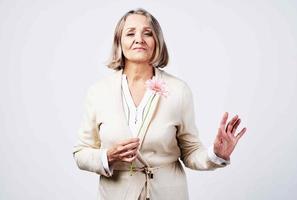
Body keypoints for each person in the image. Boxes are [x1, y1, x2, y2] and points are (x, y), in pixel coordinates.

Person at [72, 8, 247, 200]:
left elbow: (190, 152)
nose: (139, 39)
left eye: (148, 33)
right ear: (119, 42)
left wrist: (216, 155)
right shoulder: (98, 92)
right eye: (130, 33)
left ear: (157, 42)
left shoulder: (178, 90)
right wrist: (108, 156)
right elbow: (81, 153)